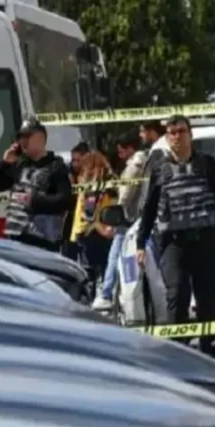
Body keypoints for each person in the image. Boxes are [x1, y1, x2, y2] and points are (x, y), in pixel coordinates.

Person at [136, 114, 215, 354]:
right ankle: (178, 347)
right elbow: (149, 208)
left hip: (204, 238)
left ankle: (206, 344)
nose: (177, 137)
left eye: (181, 131)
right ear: (167, 137)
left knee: (206, 293)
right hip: (173, 242)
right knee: (177, 293)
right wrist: (140, 243)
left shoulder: (206, 164)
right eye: (172, 133)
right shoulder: (159, 169)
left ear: (190, 134)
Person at [0, 117, 72, 251]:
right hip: (15, 237)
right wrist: (5, 163)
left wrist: (33, 200)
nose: (22, 141)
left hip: (42, 240)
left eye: (27, 137)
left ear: (40, 138)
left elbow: (65, 200)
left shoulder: (56, 167)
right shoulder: (20, 165)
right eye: (21, 138)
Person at [92, 132, 149, 310]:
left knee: (115, 256)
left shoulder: (135, 165)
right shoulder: (144, 162)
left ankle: (106, 294)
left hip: (129, 221)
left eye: (121, 150)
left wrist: (118, 207)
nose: (119, 154)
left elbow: (125, 196)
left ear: (130, 148)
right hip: (137, 220)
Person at [69, 149, 116, 287]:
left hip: (90, 231)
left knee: (89, 273)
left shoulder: (91, 186)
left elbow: (88, 212)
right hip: (102, 229)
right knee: (104, 269)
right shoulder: (107, 185)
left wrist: (99, 227)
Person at [61, 141, 89, 260]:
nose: (75, 164)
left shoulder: (92, 174)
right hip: (70, 218)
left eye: (78, 160)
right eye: (73, 160)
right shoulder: (68, 173)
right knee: (68, 254)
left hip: (85, 220)